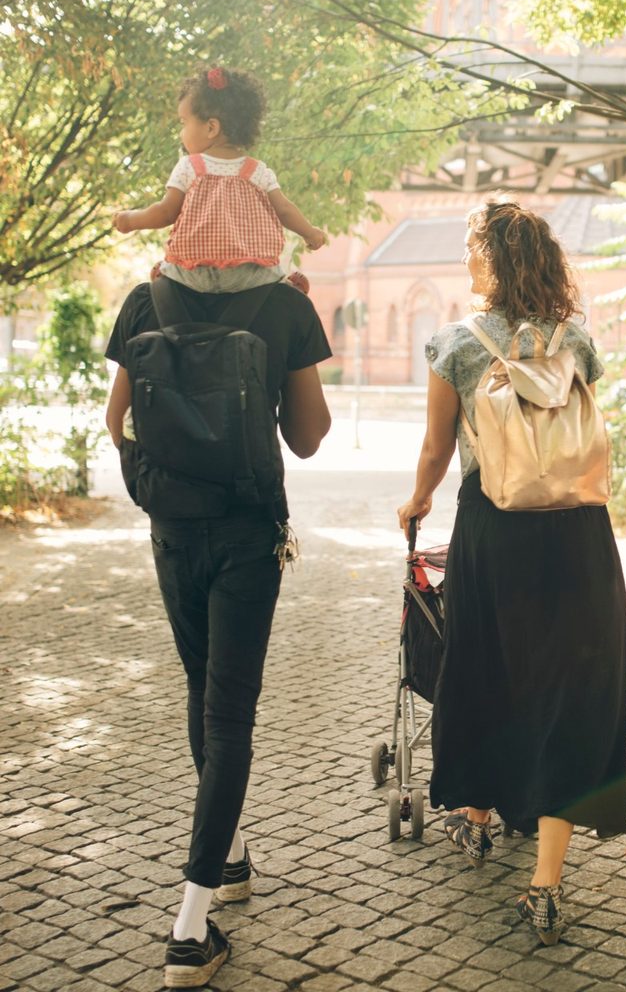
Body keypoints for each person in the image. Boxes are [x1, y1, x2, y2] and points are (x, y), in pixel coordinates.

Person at [397, 199, 626, 946]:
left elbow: (437, 448)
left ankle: (476, 820)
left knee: (485, 670)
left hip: (494, 530)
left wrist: (417, 501)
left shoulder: (456, 344)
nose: (466, 261)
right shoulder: (576, 340)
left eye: (474, 249)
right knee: (568, 690)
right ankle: (547, 884)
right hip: (579, 533)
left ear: (496, 260)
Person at [105, 279, 332, 987]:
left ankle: (231, 857)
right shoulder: (285, 304)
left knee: (200, 688)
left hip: (173, 529)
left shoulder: (145, 301)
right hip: (247, 531)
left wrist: (157, 485)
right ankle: (188, 930)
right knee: (229, 715)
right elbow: (309, 438)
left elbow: (117, 422)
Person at [114, 65, 327, 294]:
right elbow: (284, 210)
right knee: (271, 275)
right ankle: (287, 289)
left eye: (184, 123)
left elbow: (166, 212)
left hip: (194, 274)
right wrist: (311, 233)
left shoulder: (189, 167)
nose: (181, 132)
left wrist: (130, 220)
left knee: (172, 269)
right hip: (250, 276)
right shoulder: (258, 172)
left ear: (211, 128)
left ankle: (165, 276)